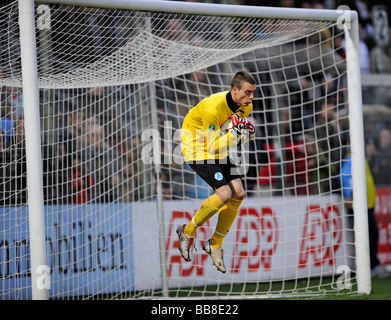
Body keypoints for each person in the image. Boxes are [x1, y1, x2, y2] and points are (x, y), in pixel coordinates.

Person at [177, 70, 256, 273]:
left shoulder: (246, 107)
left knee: (239, 193)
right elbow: (213, 147)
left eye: (253, 93)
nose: (251, 97)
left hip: (215, 144)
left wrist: (245, 135)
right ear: (234, 90)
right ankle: (186, 232)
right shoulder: (213, 107)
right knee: (224, 193)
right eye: (248, 93)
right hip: (195, 146)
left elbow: (232, 135)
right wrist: (237, 135)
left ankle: (214, 244)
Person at [339, 154, 390, 278]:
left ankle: (370, 266)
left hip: (367, 205)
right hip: (360, 205)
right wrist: (347, 195)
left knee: (371, 234)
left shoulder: (364, 158)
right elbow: (343, 175)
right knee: (369, 234)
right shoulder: (352, 156)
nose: (371, 148)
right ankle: (369, 267)